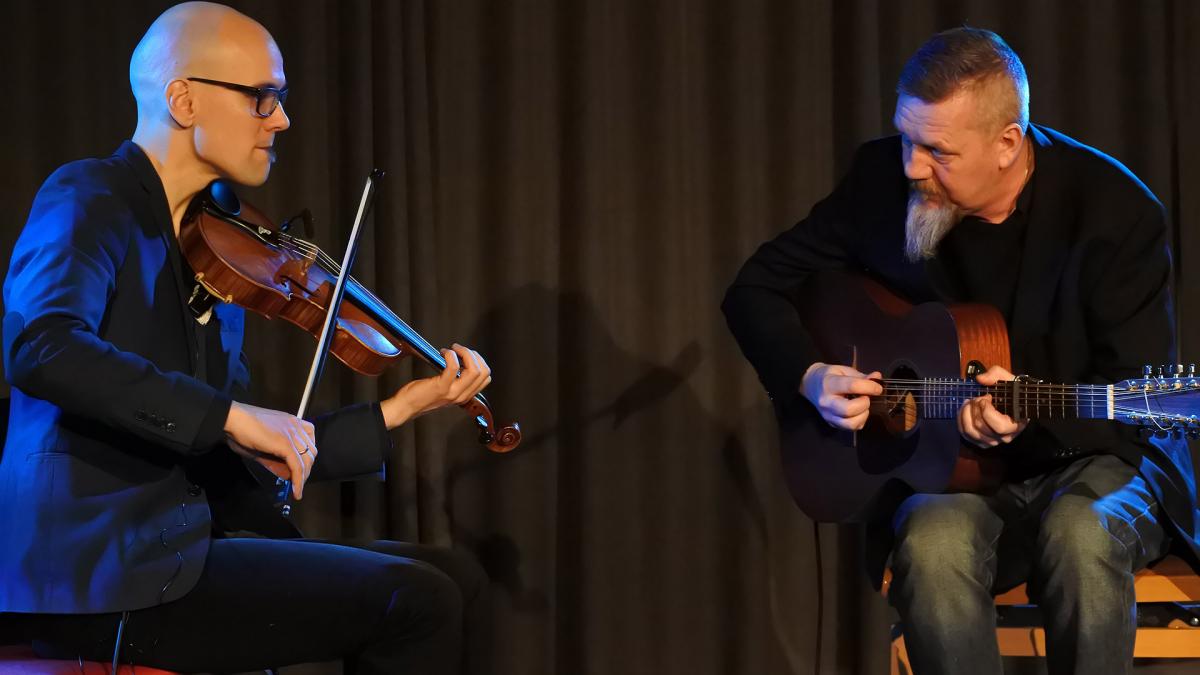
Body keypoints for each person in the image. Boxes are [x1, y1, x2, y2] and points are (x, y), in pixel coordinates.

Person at [0, 2, 492, 673]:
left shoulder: (222, 249)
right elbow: (43, 347)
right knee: (420, 600)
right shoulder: (89, 198)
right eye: (263, 97)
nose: (281, 119)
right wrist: (229, 416)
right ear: (184, 99)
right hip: (102, 569)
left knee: (456, 575)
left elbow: (240, 449)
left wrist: (404, 407)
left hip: (185, 547)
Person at [722, 26, 1200, 675]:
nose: (914, 165)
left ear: (1008, 144)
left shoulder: (1115, 211)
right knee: (930, 545)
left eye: (938, 150)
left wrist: (1026, 413)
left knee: (1081, 535)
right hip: (953, 473)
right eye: (907, 137)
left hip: (1098, 455)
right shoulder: (882, 182)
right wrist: (808, 375)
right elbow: (756, 287)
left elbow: (1136, 393)